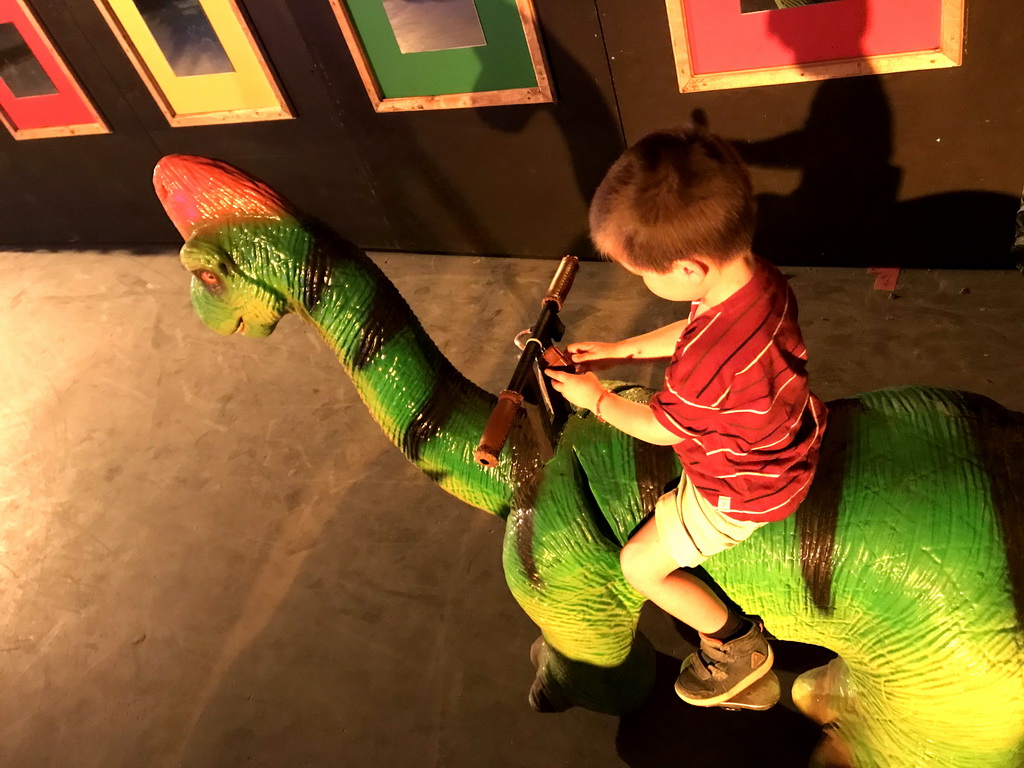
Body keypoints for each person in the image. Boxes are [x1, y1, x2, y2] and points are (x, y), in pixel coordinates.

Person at [544, 124, 827, 707]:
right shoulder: (756, 277)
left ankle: (735, 644)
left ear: (689, 268)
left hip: (744, 487)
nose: (642, 282)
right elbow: (692, 329)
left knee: (640, 566)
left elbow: (659, 425)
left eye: (644, 273)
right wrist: (620, 349)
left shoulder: (704, 371)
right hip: (787, 427)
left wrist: (596, 397)